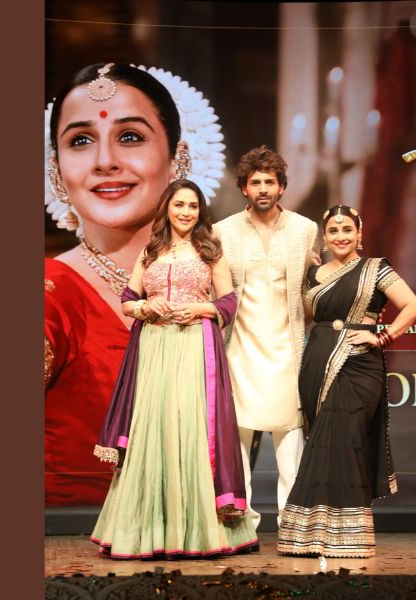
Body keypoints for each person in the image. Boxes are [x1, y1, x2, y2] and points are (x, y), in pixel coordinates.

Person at [44, 62, 225, 505]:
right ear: (56, 170)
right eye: (80, 141)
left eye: (129, 137)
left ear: (178, 159)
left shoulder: (220, 274)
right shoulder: (50, 291)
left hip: (203, 526)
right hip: (74, 533)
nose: (105, 161)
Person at [90, 179, 258, 559]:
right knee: (153, 429)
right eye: (179, 204)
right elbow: (128, 300)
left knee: (189, 427)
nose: (186, 212)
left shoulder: (210, 250)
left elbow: (228, 301)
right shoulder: (150, 251)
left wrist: (200, 308)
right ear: (167, 207)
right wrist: (146, 307)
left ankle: (198, 532)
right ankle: (146, 531)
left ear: (200, 212)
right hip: (153, 348)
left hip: (194, 346)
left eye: (193, 206)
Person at [277, 204, 416, 558]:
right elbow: (307, 316)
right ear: (324, 238)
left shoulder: (376, 268)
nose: (340, 236)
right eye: (333, 230)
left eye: (347, 229)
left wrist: (382, 336)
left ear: (359, 233)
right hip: (317, 362)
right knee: (321, 443)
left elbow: (412, 306)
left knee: (346, 439)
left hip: (359, 365)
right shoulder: (313, 274)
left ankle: (350, 535)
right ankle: (313, 535)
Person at [214, 146, 319, 529]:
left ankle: (293, 523)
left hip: (287, 348)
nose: (262, 189)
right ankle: (241, 522)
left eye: (269, 182)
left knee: (290, 440)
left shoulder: (305, 229)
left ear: (281, 187)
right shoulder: (222, 231)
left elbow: (311, 292)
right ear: (244, 188)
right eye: (255, 182)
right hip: (240, 348)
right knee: (238, 439)